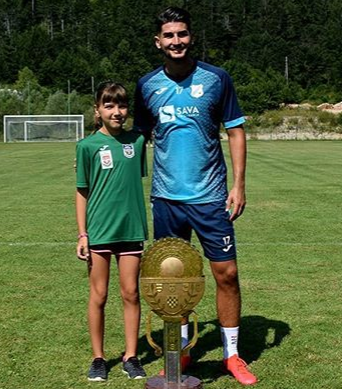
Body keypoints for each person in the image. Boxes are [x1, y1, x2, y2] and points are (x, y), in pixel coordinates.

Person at [133, 7, 257, 386]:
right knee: (173, 282)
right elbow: (136, 139)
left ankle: (231, 356)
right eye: (168, 36)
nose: (176, 42)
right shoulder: (146, 85)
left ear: (191, 37)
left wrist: (238, 185)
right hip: (166, 199)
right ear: (158, 42)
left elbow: (235, 131)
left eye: (182, 34)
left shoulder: (217, 79)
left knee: (227, 274)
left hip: (210, 197)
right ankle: (179, 355)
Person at [76, 81, 148, 382]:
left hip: (131, 229)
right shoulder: (87, 146)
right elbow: (82, 191)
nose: (116, 112)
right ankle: (98, 358)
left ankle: (131, 357)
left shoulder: (138, 140)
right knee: (99, 295)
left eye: (121, 105)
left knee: (131, 292)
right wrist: (82, 233)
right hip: (100, 232)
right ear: (97, 110)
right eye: (109, 105)